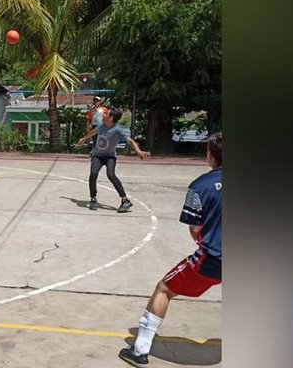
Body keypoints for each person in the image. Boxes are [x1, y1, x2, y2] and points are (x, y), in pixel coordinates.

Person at [118, 132, 222, 367]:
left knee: (164, 289)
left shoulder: (200, 186)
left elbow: (195, 230)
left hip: (213, 259)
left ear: (210, 156)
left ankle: (140, 349)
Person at [77, 107, 150, 212]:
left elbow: (130, 141)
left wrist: (138, 151)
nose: (103, 115)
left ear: (111, 118)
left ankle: (125, 200)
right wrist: (83, 139)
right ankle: (93, 198)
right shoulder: (102, 126)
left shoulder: (118, 130)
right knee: (93, 173)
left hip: (110, 156)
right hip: (98, 155)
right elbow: (93, 132)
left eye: (106, 114)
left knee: (111, 175)